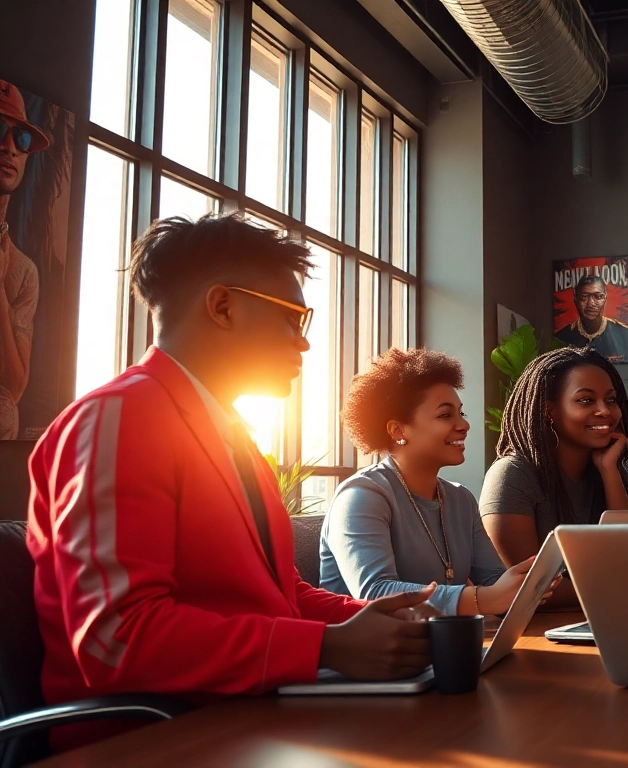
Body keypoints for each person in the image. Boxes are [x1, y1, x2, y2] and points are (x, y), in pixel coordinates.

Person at [26, 214, 436, 751]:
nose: (303, 343)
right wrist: (323, 648)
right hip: (151, 740)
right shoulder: (118, 419)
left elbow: (280, 597)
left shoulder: (232, 438)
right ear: (222, 306)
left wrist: (373, 620)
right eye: (293, 319)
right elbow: (116, 638)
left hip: (250, 716)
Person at [320, 347, 550, 617]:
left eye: (460, 413)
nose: (463, 425)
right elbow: (375, 593)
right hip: (365, 655)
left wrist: (525, 585)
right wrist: (484, 599)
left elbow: (493, 582)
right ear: (398, 431)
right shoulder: (361, 496)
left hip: (438, 650)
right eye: (445, 415)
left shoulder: (460, 500)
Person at [481, 346, 628, 608]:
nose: (605, 411)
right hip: (536, 633)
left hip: (602, 619)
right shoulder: (512, 475)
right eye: (586, 400)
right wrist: (625, 591)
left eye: (610, 400)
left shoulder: (610, 469)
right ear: (550, 412)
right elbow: (534, 586)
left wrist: (609, 470)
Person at [0, 80, 46, 440]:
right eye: (0, 130)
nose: (9, 147)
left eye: (22, 139)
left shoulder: (21, 271)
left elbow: (13, 390)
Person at [554, 275, 628, 363]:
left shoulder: (624, 334)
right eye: (584, 297)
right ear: (575, 300)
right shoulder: (561, 338)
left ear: (605, 299)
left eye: (598, 296)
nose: (591, 303)